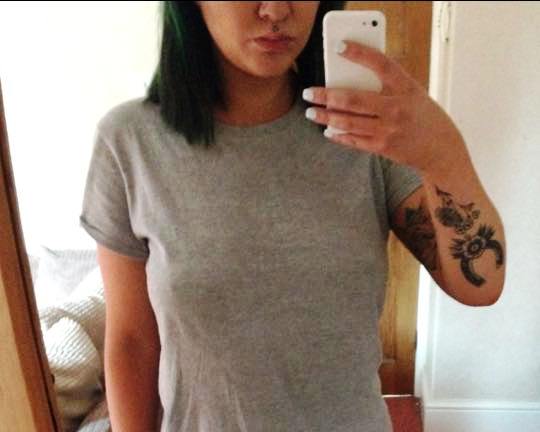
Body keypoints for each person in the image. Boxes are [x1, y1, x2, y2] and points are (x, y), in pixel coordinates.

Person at [80, 2, 506, 431]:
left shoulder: (367, 130)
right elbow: (132, 343)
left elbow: (481, 283)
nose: (276, 9)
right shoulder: (130, 142)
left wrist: (443, 155)